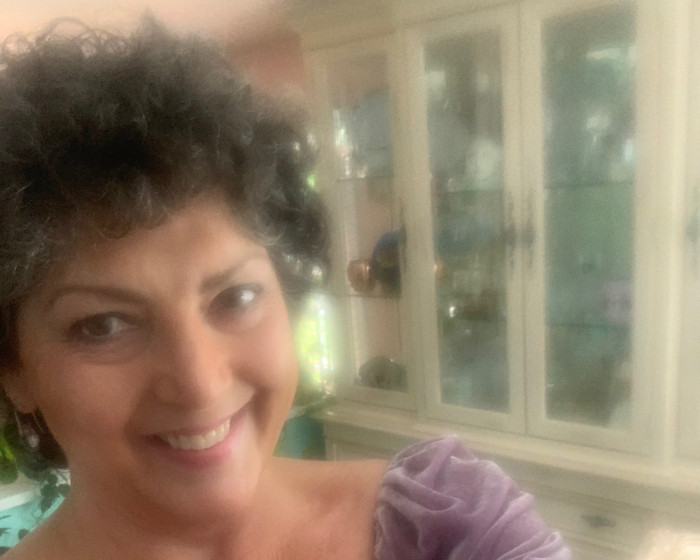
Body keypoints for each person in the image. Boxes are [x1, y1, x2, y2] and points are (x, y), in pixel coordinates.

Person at [0, 17, 570, 560]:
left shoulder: (450, 523)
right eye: (102, 326)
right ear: (13, 366)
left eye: (236, 298)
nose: (199, 383)